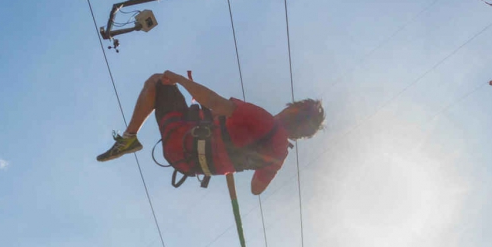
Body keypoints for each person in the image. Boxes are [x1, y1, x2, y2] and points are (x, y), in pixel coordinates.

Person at [96, 70, 324, 195]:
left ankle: (128, 139)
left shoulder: (260, 117)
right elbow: (256, 189)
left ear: (291, 108)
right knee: (200, 115)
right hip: (189, 164)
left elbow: (215, 102)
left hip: (179, 141)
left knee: (158, 80)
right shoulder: (278, 155)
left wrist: (181, 81)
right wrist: (244, 158)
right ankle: (130, 140)